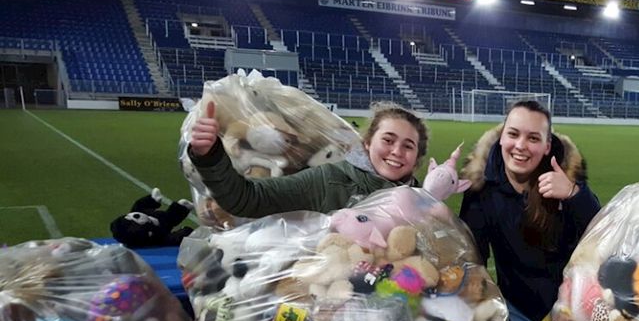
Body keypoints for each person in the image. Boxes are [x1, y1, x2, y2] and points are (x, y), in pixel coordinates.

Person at [459, 100, 600, 321]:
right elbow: (472, 257)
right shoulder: (481, 188)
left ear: (547, 146)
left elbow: (601, 236)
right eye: (513, 134)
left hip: (573, 308)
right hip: (518, 310)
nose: (521, 146)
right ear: (502, 137)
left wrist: (573, 194)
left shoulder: (565, 176)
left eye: (533, 138)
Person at [188, 101, 451, 217]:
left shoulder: (421, 199)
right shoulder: (329, 180)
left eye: (408, 146)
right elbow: (248, 199)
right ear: (368, 142)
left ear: (417, 157)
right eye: (388, 140)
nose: (396, 152)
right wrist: (210, 155)